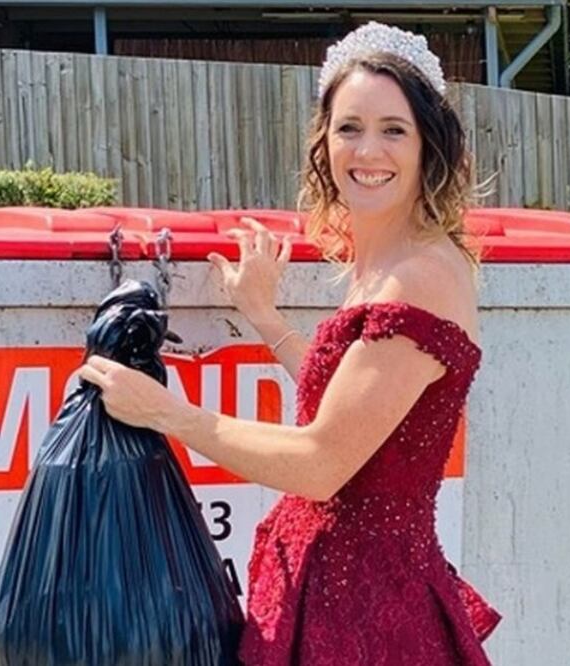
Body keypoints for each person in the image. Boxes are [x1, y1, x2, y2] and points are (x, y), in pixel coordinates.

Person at [78, 22, 500, 665]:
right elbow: (361, 410)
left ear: (427, 145)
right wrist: (266, 317)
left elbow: (322, 461)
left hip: (365, 620)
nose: (369, 150)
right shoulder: (387, 262)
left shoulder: (419, 277)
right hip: (338, 592)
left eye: (394, 129)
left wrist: (163, 411)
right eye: (349, 127)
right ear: (324, 142)